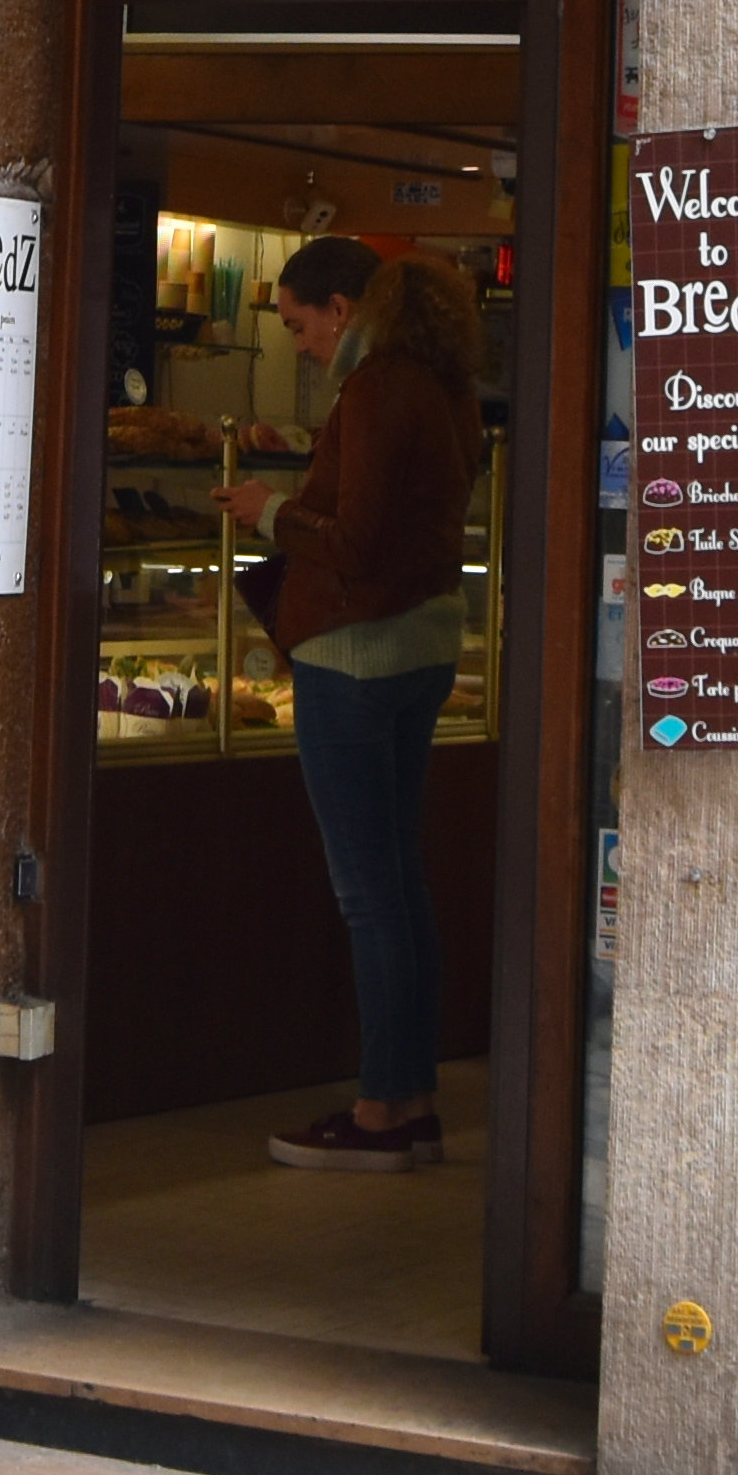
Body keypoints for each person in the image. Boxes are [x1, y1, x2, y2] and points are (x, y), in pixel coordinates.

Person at [218, 234, 484, 1174]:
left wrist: (265, 513)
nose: (297, 344)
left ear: (343, 310)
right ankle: (411, 1097)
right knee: (400, 882)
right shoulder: (448, 390)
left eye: (298, 325)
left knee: (368, 893)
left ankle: (380, 1111)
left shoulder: (375, 390)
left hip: (354, 653)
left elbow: (358, 543)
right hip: (424, 646)